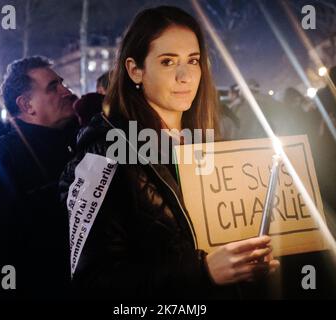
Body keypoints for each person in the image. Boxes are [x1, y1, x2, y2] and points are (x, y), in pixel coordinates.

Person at [59, 6, 279, 300]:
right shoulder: (107, 154)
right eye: (167, 62)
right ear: (135, 70)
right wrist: (202, 272)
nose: (185, 75)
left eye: (193, 60)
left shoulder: (208, 142)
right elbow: (93, 283)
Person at [0, 56, 79, 299]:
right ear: (26, 105)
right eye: (53, 87)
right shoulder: (0, 161)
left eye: (62, 83)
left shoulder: (77, 146)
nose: (66, 91)